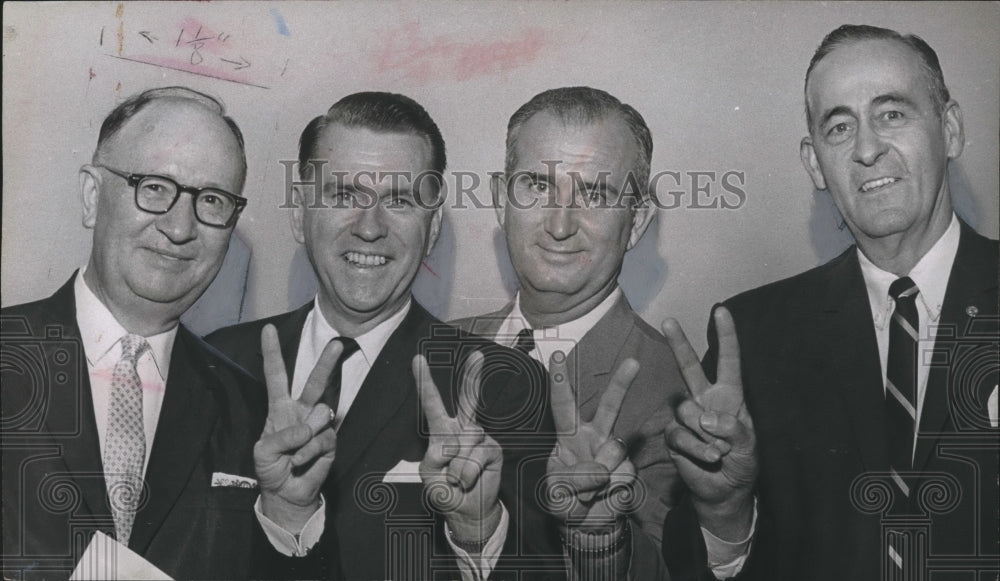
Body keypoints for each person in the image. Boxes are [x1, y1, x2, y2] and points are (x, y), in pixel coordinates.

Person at [660, 25, 999, 580]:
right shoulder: (753, 337)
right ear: (815, 163)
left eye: (892, 114)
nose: (867, 149)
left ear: (951, 130)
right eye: (839, 127)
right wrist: (725, 509)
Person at [207, 92, 562, 580]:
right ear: (299, 213)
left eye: (399, 200)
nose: (370, 228)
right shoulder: (218, 364)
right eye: (343, 196)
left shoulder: (501, 384)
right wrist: (286, 514)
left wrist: (476, 529)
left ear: (432, 228)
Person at [1, 87, 273, 579]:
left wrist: (292, 517)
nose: (180, 227)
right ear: (92, 196)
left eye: (212, 200)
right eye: (154, 187)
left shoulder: (253, 411)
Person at [452, 86, 685, 577]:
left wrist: (598, 539)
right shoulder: (435, 348)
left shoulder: (671, 394)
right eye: (538, 186)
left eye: (595, 195)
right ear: (499, 200)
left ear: (636, 222)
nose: (560, 226)